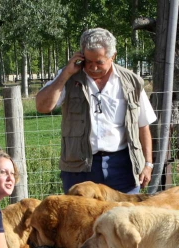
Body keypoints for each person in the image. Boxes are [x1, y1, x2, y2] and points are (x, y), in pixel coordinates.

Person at [36, 27, 157, 194]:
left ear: (113, 56)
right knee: (80, 219)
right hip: (79, 167)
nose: (93, 67)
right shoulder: (69, 77)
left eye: (99, 62)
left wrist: (148, 164)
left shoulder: (131, 81)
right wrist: (65, 74)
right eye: (88, 61)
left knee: (123, 218)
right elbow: (42, 106)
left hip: (123, 166)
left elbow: (143, 125)